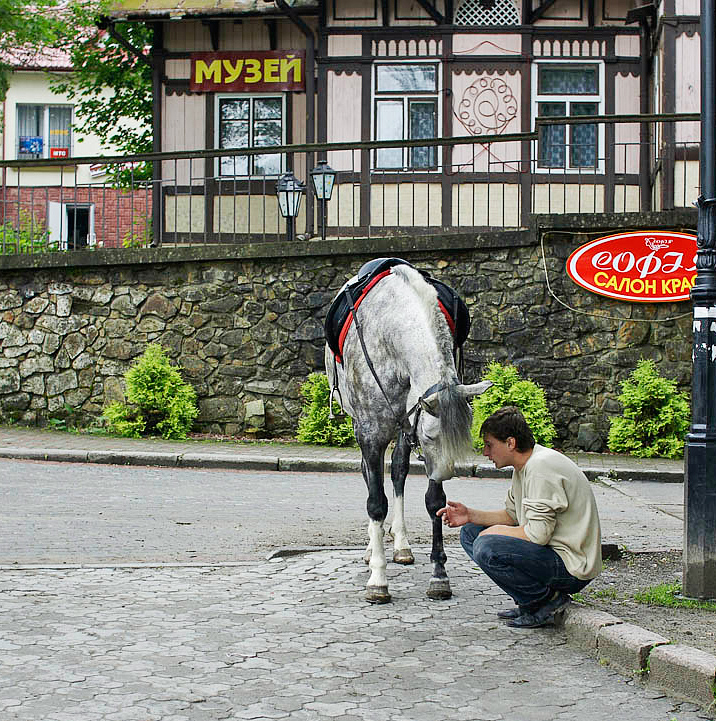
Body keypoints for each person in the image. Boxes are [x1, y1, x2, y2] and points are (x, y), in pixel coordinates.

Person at [437, 406, 602, 629]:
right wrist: (470, 515)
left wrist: (493, 534)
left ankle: (545, 601)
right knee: (470, 533)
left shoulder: (540, 467)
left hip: (572, 568)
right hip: (552, 554)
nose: (486, 453)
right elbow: (512, 516)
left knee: (487, 545)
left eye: (489, 445)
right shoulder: (524, 467)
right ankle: (528, 601)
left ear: (510, 443)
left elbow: (537, 535)